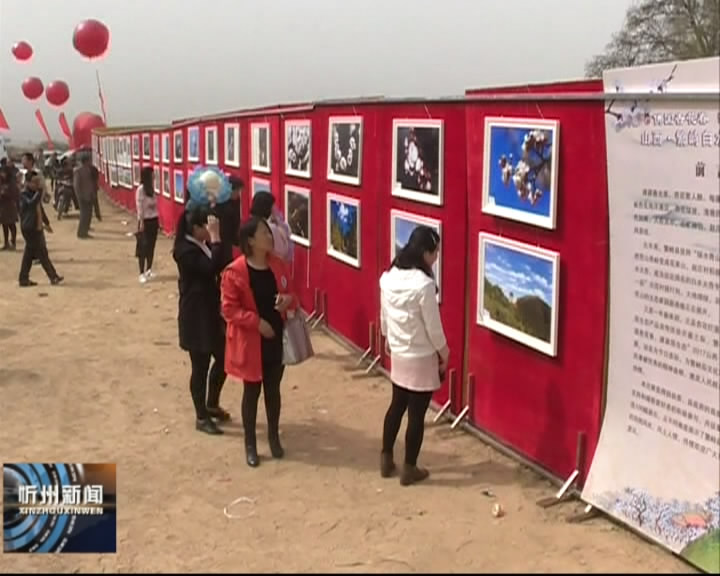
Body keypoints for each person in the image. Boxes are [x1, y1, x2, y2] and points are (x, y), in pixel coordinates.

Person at [221, 216, 297, 467]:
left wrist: (288, 301)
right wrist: (257, 323)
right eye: (264, 232)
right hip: (251, 342)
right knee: (251, 392)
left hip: (276, 338)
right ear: (251, 240)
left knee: (273, 390)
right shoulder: (235, 272)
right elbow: (229, 310)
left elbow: (292, 294)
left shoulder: (277, 264)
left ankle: (274, 437)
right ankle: (251, 444)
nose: (270, 236)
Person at [379, 225, 448, 486]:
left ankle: (386, 458)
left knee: (396, 405)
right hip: (420, 355)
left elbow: (384, 314)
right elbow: (433, 328)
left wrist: (387, 340)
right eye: (436, 252)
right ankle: (409, 468)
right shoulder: (424, 286)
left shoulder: (388, 277)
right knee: (416, 414)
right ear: (425, 253)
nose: (437, 257)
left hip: (399, 352)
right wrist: (444, 353)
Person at [173, 203, 229, 435]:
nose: (211, 229)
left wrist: (215, 240)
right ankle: (201, 416)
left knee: (225, 358)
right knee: (200, 366)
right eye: (207, 226)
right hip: (196, 316)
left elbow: (221, 261)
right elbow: (209, 269)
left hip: (211, 312)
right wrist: (215, 238)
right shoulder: (184, 250)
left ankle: (211, 402)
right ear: (195, 228)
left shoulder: (202, 244)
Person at [18, 173, 63, 287]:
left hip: (36, 226)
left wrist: (46, 223)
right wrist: (39, 191)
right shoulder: (24, 194)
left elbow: (40, 210)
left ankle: (23, 278)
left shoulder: (34, 193)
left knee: (29, 254)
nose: (36, 184)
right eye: (34, 182)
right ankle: (53, 276)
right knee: (41, 253)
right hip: (29, 228)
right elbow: (31, 204)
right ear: (27, 182)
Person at [250, 191, 293, 263]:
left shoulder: (252, 223)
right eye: (274, 205)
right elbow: (283, 251)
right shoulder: (271, 228)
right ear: (268, 207)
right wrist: (280, 226)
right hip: (273, 265)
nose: (275, 207)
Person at [135, 166, 160, 283]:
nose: (154, 176)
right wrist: (141, 222)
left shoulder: (152, 189)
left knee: (151, 246)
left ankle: (149, 269)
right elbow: (140, 207)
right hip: (145, 221)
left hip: (154, 220)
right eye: (152, 174)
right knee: (143, 247)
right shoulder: (141, 189)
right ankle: (141, 272)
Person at [215, 176, 244, 268]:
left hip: (229, 238)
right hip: (220, 236)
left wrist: (236, 240)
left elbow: (236, 220)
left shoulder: (236, 200)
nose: (238, 194)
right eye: (237, 191)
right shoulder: (219, 203)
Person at [73, 153, 95, 239]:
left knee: (89, 214)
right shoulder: (78, 171)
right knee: (84, 214)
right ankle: (81, 232)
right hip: (82, 196)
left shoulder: (88, 169)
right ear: (86, 161)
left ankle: (85, 230)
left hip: (89, 194)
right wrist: (80, 196)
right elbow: (76, 185)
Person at [0, 166, 19, 250]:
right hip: (2, 206)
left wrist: (5, 193)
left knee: (11, 225)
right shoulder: (1, 182)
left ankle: (13, 242)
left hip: (10, 206)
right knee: (4, 225)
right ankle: (6, 243)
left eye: (4, 172)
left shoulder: (11, 182)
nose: (2, 174)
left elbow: (15, 194)